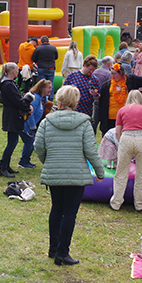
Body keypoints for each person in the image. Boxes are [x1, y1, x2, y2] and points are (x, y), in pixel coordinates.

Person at [35, 85, 104, 266]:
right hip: (76, 175)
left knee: (56, 209)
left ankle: (53, 249)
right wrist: (100, 171)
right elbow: (91, 150)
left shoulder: (47, 121)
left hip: (55, 171)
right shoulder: (84, 123)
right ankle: (62, 252)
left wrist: (48, 161)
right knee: (69, 213)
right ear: (75, 101)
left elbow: (39, 147)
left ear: (59, 99)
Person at [109, 90, 142, 211]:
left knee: (121, 171)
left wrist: (121, 142)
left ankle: (116, 202)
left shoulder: (122, 110)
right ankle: (139, 204)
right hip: (141, 137)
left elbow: (118, 131)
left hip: (126, 137)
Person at [98, 63, 142, 135]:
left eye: (114, 74)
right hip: (110, 118)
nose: (112, 76)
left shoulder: (130, 80)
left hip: (126, 117)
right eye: (111, 74)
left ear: (121, 73)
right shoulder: (106, 85)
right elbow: (102, 103)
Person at [0, 62, 33, 178]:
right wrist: (28, 107)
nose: (18, 73)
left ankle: (6, 166)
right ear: (13, 72)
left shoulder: (8, 83)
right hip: (12, 116)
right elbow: (17, 101)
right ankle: (3, 167)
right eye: (18, 70)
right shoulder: (8, 85)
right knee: (12, 142)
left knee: (13, 142)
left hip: (12, 115)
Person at [31, 35, 58, 102]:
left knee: (42, 84)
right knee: (51, 84)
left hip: (41, 68)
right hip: (51, 68)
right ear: (48, 41)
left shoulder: (38, 48)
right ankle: (50, 99)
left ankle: (43, 98)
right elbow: (56, 57)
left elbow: (33, 58)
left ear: (41, 41)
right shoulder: (53, 48)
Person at [91, 56, 114, 133]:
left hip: (94, 97)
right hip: (104, 99)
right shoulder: (109, 74)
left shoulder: (95, 71)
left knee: (95, 118)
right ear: (110, 64)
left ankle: (93, 133)